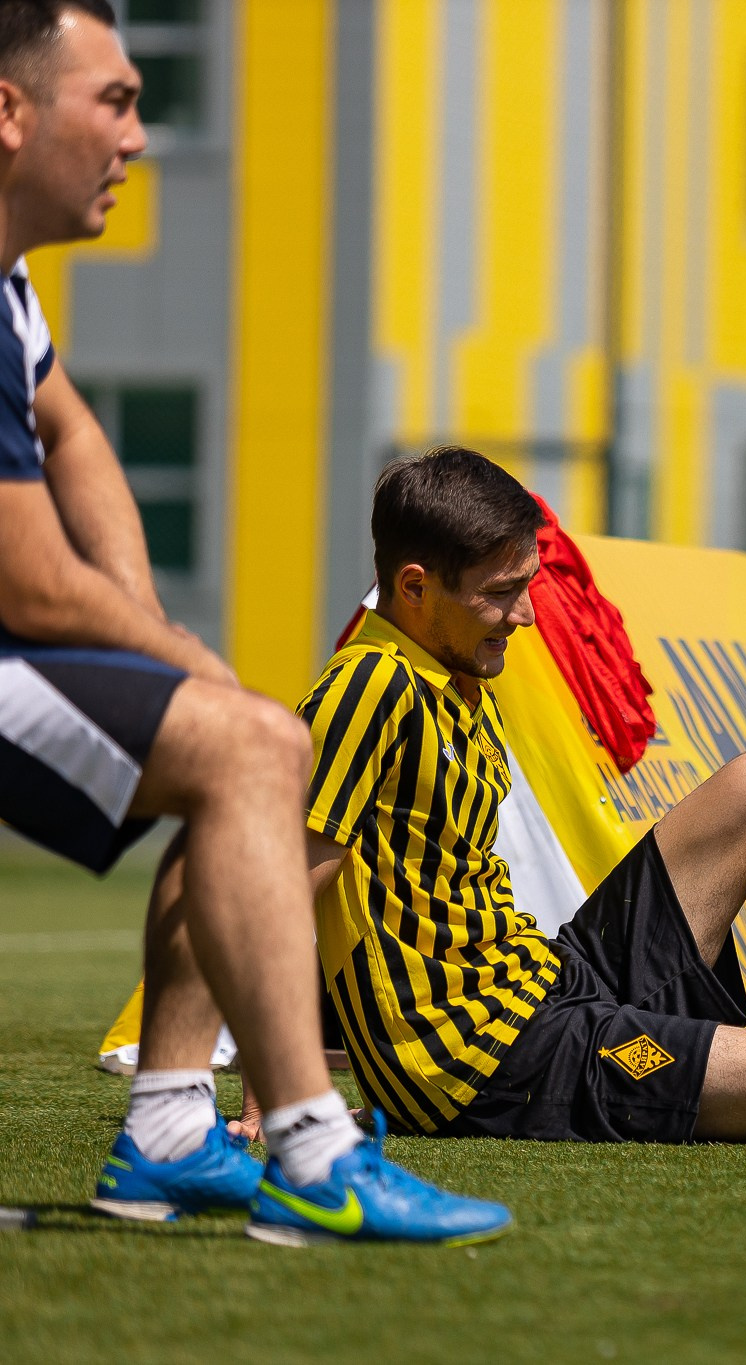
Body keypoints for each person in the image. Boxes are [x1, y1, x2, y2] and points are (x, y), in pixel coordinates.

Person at [0, 0, 505, 1245]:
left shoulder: (10, 291)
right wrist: (176, 657)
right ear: (9, 113)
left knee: (240, 745)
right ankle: (312, 1151)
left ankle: (171, 1133)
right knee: (252, 746)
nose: (138, 135)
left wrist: (150, 626)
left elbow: (72, 434)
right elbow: (29, 583)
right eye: (115, 101)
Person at [242, 447, 746, 1160]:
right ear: (415, 586)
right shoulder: (366, 687)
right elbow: (279, 895)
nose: (525, 614)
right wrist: (270, 1087)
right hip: (488, 1066)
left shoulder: (457, 677)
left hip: (549, 979)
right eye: (501, 592)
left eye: (527, 584)